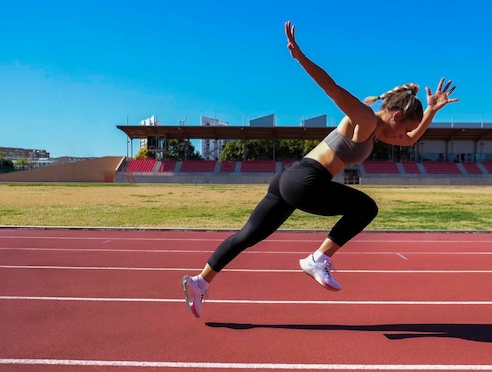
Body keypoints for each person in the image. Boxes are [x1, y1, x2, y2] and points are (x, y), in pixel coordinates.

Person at [182, 20, 458, 318]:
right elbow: (332, 88)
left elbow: (410, 139)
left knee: (247, 235)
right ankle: (318, 258)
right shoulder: (365, 119)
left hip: (289, 178)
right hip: (308, 180)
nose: (404, 135)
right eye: (405, 126)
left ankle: (199, 282)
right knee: (365, 208)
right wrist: (300, 56)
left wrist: (429, 111)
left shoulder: (376, 129)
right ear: (396, 115)